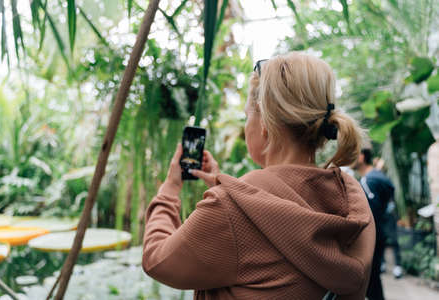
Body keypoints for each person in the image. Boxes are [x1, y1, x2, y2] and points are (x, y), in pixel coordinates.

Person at [142, 53, 376, 299]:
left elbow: (157, 259)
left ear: (265, 122)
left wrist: (169, 189)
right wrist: (225, 184)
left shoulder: (230, 209)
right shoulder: (352, 200)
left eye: (247, 115)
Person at [353, 149, 395, 300]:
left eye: (354, 153)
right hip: (381, 232)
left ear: (362, 157)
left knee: (371, 282)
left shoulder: (368, 181)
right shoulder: (379, 177)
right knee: (374, 279)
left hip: (372, 236)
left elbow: (370, 214)